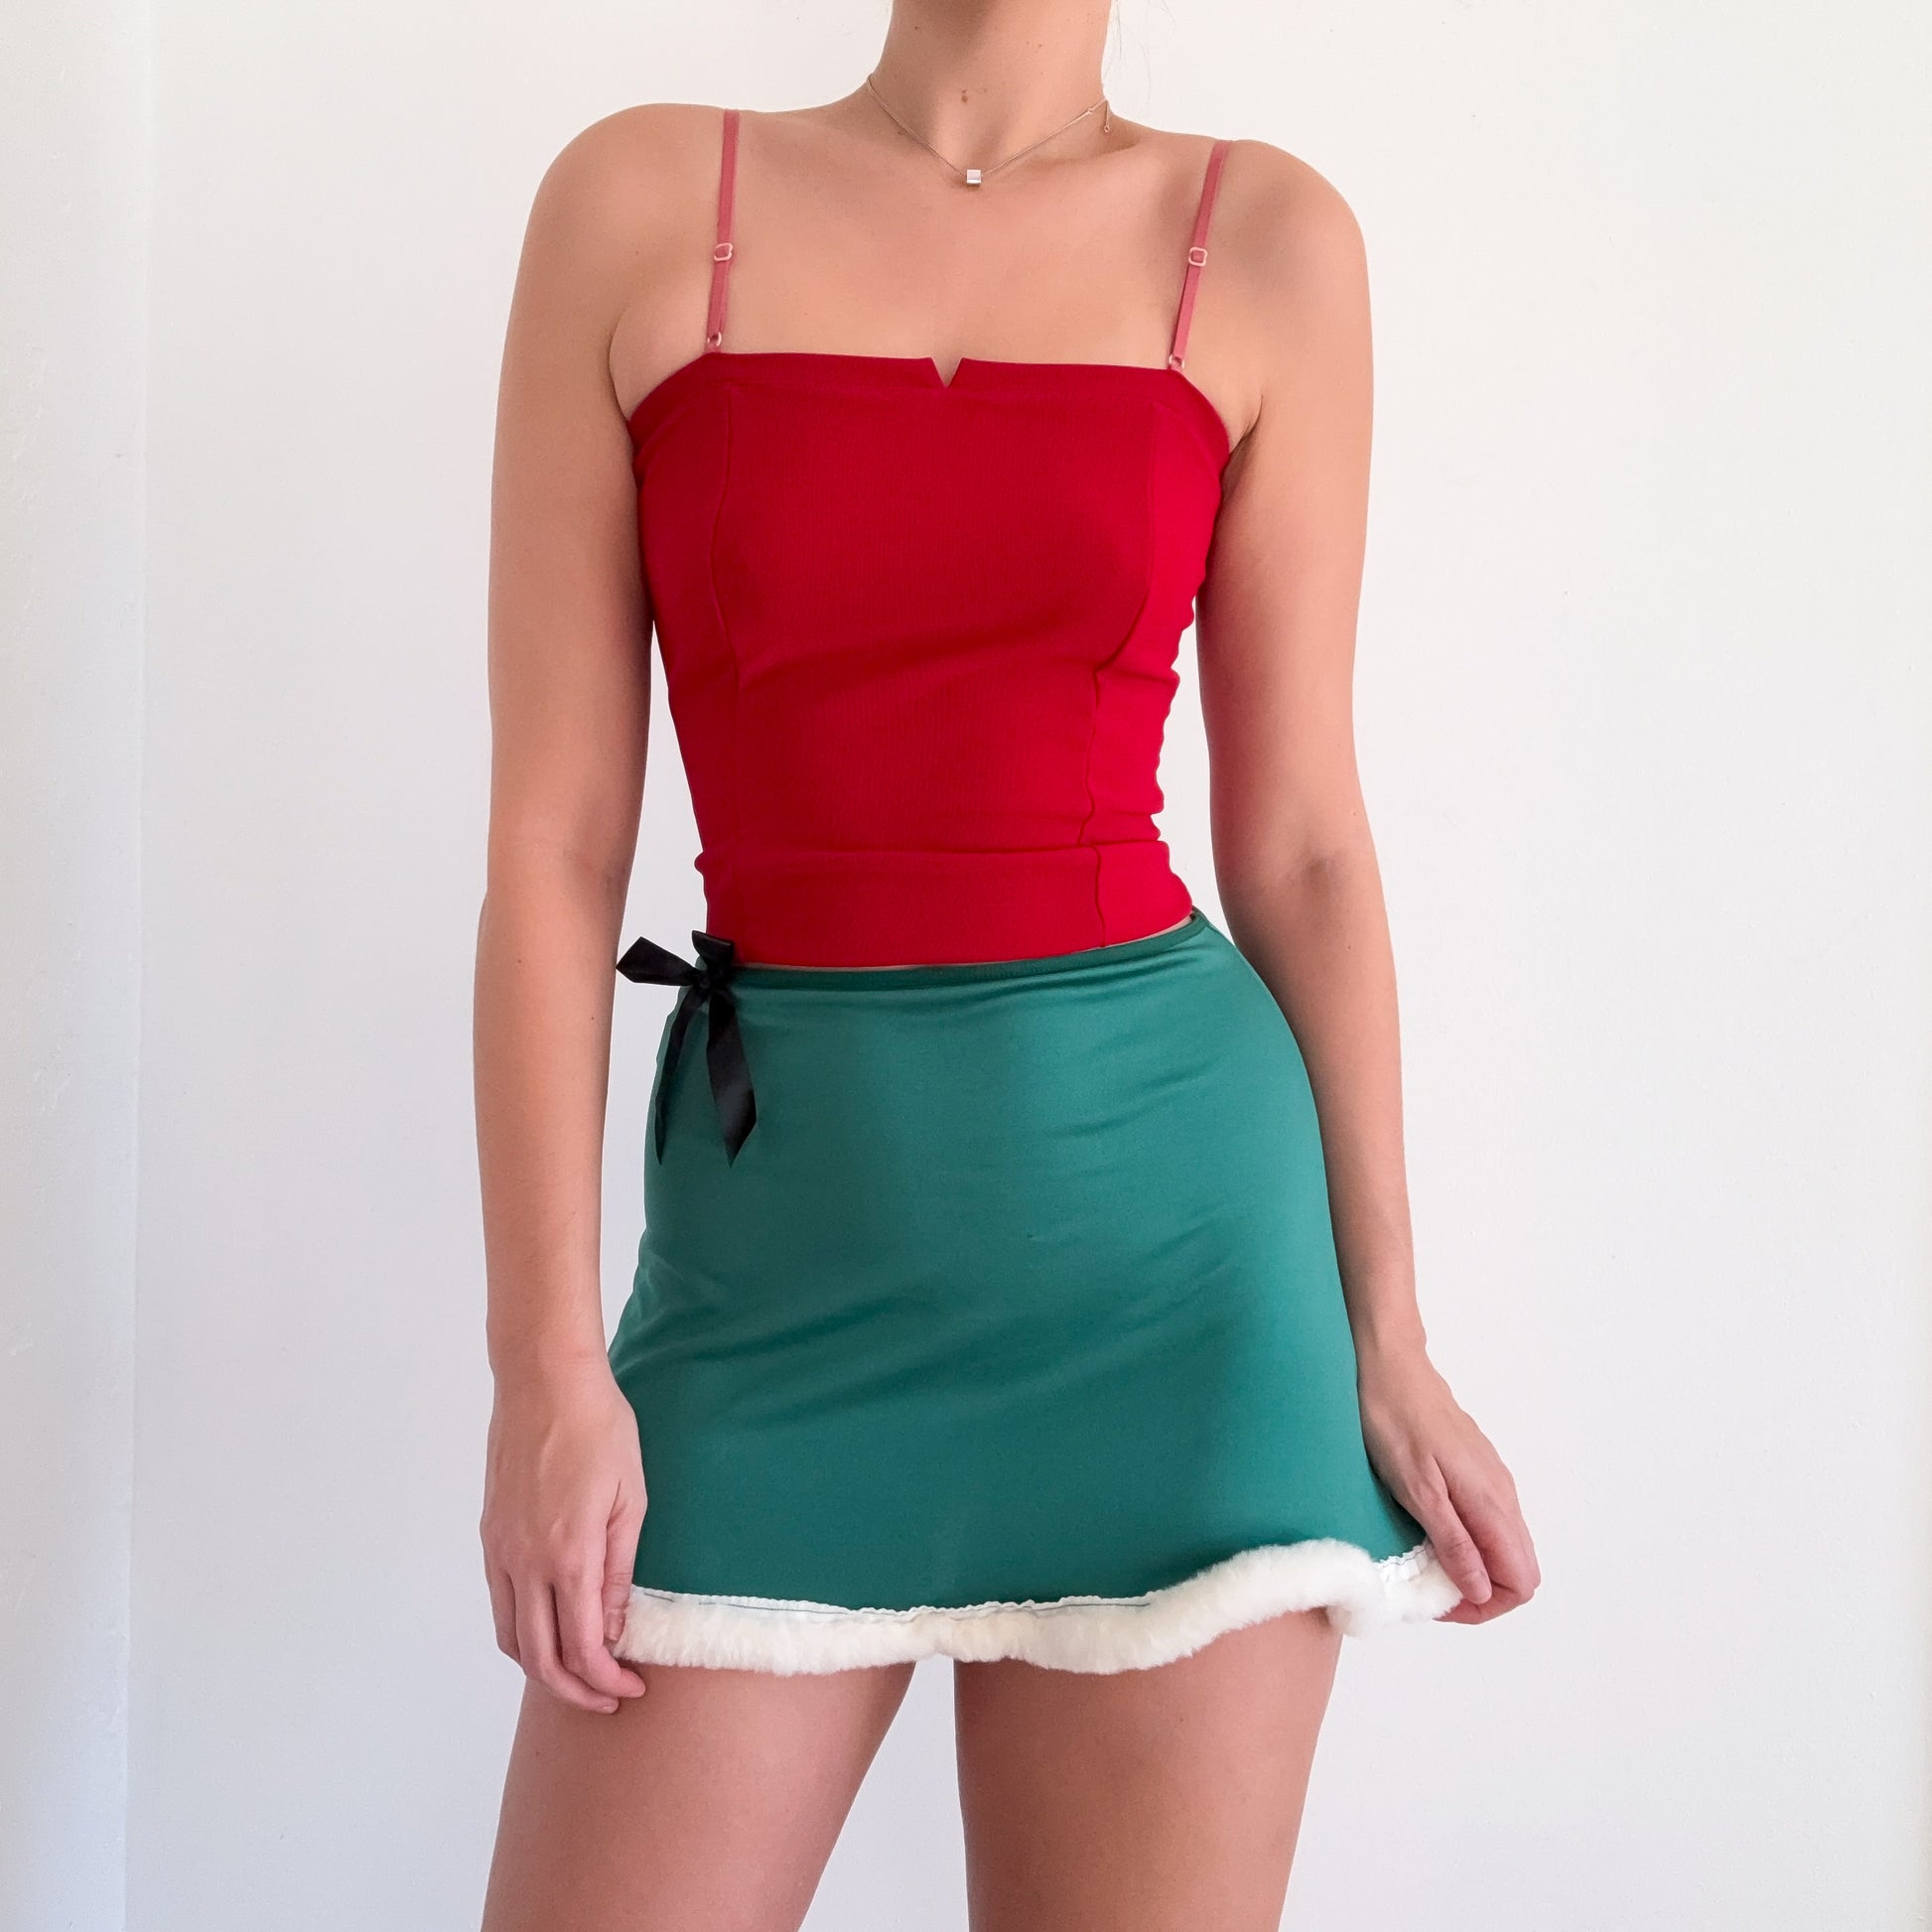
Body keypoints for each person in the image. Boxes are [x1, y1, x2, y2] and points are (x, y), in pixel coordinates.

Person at [474, 10, 1538, 1927]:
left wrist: (1387, 1328)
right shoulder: (640, 200)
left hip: (1178, 1290)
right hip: (772, 1284)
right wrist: (541, 1366)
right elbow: (553, 850)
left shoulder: (1264, 238)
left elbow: (1300, 841)